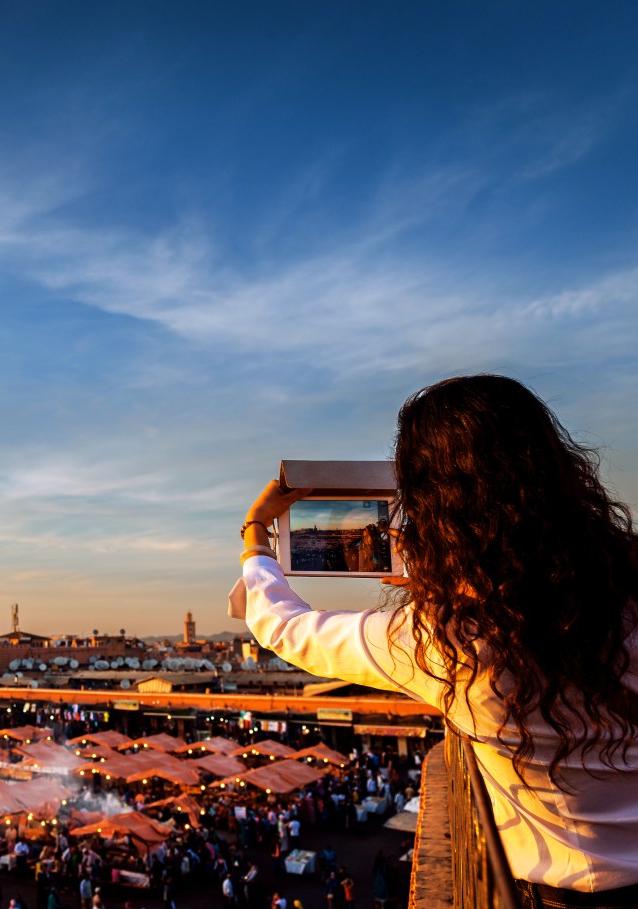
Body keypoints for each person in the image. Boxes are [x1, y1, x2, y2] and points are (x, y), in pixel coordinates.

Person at [234, 374, 638, 905]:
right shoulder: (625, 582)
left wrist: (256, 533)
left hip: (570, 890)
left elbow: (286, 628)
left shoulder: (444, 641)